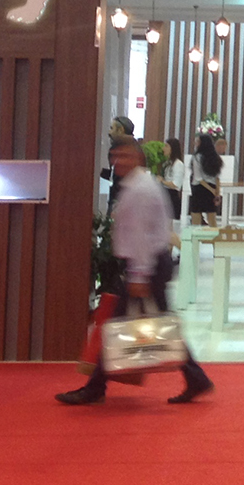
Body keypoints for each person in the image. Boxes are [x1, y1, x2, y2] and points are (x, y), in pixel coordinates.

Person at [57, 139, 213, 405]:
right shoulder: (138, 185)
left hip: (146, 266)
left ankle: (95, 387)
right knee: (151, 323)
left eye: (125, 156)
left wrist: (139, 275)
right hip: (149, 264)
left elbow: (141, 235)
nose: (118, 161)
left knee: (119, 324)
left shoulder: (140, 189)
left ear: (139, 158)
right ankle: (195, 378)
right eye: (115, 156)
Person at [159, 137, 186, 221]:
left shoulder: (178, 164)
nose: (163, 148)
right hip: (164, 195)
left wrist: (162, 181)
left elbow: (176, 184)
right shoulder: (167, 163)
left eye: (166, 146)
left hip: (172, 197)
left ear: (172, 149)